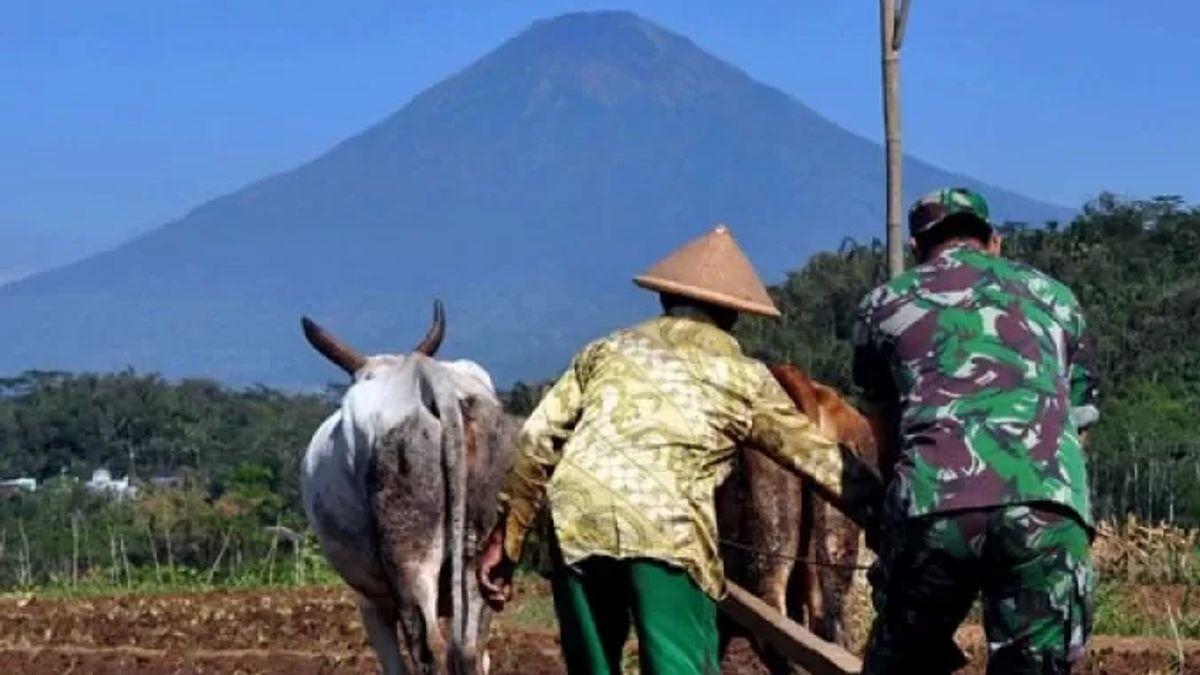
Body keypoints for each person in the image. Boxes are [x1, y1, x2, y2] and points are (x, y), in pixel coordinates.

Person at [477, 224, 882, 675]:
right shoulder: (739, 375)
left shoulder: (605, 351)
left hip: (577, 521)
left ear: (665, 301)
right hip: (666, 529)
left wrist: (506, 541)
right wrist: (890, 517)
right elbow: (822, 460)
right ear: (733, 316)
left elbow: (536, 440)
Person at [851, 188, 1101, 674]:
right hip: (1048, 505)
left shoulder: (884, 303)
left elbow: (883, 432)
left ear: (921, 248)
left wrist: (893, 520)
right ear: (994, 241)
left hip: (933, 502)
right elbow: (1080, 426)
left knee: (902, 659)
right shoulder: (1058, 299)